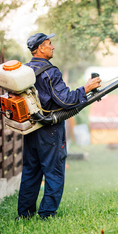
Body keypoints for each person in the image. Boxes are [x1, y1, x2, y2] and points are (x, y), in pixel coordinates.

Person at [17, 33, 101, 220]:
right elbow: (66, 100)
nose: (52, 47)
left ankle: (24, 214)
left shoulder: (25, 71)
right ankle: (47, 214)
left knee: (31, 171)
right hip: (50, 130)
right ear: (40, 48)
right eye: (49, 44)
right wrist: (86, 88)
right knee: (54, 171)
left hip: (31, 128)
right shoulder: (50, 71)